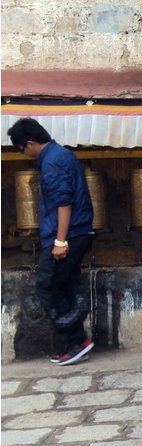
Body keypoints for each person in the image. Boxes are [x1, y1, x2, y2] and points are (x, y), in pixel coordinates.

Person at [7, 118, 95, 365]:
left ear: (31, 143)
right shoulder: (60, 155)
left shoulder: (53, 161)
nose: (24, 154)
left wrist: (59, 241)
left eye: (22, 149)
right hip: (77, 232)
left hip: (69, 234)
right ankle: (78, 341)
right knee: (64, 285)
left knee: (47, 285)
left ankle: (75, 341)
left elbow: (63, 202)